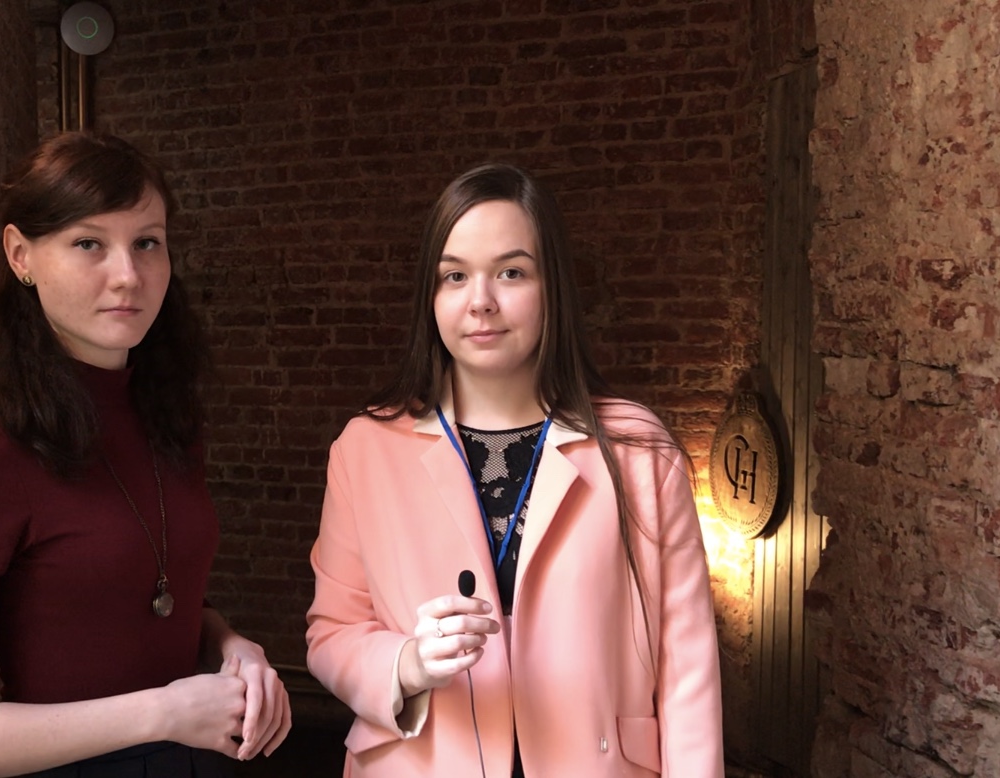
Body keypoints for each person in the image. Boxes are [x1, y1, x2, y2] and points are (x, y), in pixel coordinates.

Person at [0, 132, 290, 778]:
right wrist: (162, 713)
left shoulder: (166, 412)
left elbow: (128, 596)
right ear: (21, 255)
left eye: (147, 242)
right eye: (89, 244)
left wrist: (228, 645)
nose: (128, 274)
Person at [306, 163, 724, 777]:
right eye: (455, 276)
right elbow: (332, 633)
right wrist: (407, 664)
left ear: (552, 286)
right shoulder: (365, 448)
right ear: (431, 296)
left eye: (511, 272)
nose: (481, 301)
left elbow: (688, 670)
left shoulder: (638, 450)